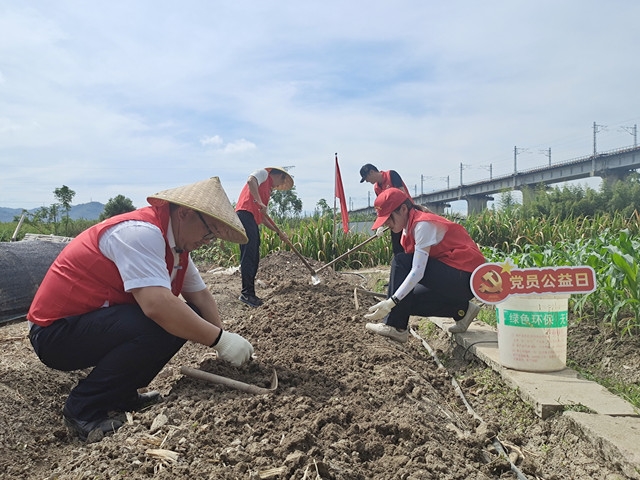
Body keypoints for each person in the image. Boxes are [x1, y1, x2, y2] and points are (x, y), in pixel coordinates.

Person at [27, 177, 255, 442]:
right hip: (55, 332)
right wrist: (220, 340)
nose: (209, 241)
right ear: (184, 214)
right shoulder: (140, 233)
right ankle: (82, 409)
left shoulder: (177, 249)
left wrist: (223, 343)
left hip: (91, 325)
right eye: (209, 232)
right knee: (161, 321)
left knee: (182, 316)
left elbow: (200, 297)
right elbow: (157, 305)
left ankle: (120, 395)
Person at [363, 189, 485, 343]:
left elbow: (417, 271)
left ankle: (395, 326)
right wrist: (397, 301)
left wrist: (391, 302)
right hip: (452, 275)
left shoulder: (423, 225)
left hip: (465, 276)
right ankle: (462, 311)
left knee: (400, 262)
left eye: (389, 218)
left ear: (403, 209)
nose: (387, 223)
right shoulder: (409, 226)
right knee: (406, 301)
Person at [235, 167, 294, 307]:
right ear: (278, 174)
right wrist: (259, 201)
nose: (279, 185)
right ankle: (247, 294)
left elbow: (263, 218)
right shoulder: (263, 174)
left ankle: (250, 293)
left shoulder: (267, 190)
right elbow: (250, 181)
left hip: (252, 219)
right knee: (249, 255)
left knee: (254, 255)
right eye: (281, 180)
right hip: (244, 215)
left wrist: (278, 232)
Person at [359, 163, 409, 256]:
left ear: (372, 172)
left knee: (409, 245)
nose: (367, 181)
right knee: (397, 247)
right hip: (394, 220)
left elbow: (402, 195)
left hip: (405, 214)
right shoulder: (376, 188)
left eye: (366, 178)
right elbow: (382, 207)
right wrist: (380, 225)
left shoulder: (391, 175)